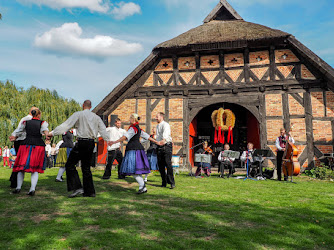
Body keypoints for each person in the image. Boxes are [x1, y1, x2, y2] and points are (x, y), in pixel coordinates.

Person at [49, 100, 111, 198]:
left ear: (83, 106)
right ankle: (90, 192)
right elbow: (103, 129)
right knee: (86, 168)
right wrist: (108, 140)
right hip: (91, 143)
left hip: (81, 142)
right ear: (90, 107)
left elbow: (66, 125)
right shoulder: (96, 117)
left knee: (69, 164)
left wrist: (52, 133)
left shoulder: (78, 114)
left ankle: (77, 187)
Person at [110, 114, 160, 194]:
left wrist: (114, 142)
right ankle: (142, 187)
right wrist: (156, 141)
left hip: (133, 150)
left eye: (130, 118)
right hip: (138, 150)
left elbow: (125, 137)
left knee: (133, 170)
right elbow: (147, 136)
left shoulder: (133, 129)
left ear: (133, 119)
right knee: (136, 171)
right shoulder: (138, 129)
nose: (129, 119)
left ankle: (142, 186)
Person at [10, 109, 49, 196]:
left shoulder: (25, 122)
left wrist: (14, 137)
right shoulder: (42, 123)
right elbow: (45, 130)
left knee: (21, 167)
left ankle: (18, 188)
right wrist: (47, 135)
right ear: (38, 115)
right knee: (34, 169)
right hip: (37, 146)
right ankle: (32, 189)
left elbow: (19, 131)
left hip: (26, 145)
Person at [9, 106, 38, 188]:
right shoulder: (29, 119)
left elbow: (19, 129)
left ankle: (13, 180)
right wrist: (15, 136)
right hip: (23, 141)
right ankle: (14, 182)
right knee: (21, 162)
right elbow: (21, 129)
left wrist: (14, 135)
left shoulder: (25, 118)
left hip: (20, 141)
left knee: (19, 161)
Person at [156, 112, 175, 189]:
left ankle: (171, 182)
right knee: (160, 165)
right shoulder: (158, 126)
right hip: (160, 146)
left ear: (161, 117)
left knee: (168, 164)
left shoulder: (165, 125)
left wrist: (161, 142)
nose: (156, 118)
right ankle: (164, 182)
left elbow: (165, 136)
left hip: (166, 146)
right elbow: (158, 137)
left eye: (157, 117)